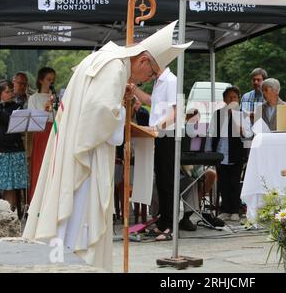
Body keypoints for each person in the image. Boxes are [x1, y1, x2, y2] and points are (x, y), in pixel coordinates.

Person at [22, 20, 192, 270]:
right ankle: (75, 263)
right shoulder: (114, 66)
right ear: (143, 59)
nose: (149, 79)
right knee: (79, 219)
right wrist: (122, 112)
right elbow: (101, 114)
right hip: (88, 158)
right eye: (152, 73)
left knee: (71, 219)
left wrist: (121, 102)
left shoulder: (106, 58)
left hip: (77, 149)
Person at [132, 66, 178, 241]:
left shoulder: (171, 80)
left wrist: (156, 128)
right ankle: (163, 222)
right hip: (159, 135)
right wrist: (134, 88)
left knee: (167, 181)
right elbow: (151, 102)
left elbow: (175, 112)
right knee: (161, 181)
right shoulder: (159, 82)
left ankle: (170, 227)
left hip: (167, 134)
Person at [0, 81, 28, 219]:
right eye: (7, 91)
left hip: (12, 152)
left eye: (11, 91)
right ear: (0, 94)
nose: (11, 94)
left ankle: (9, 218)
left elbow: (9, 121)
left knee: (9, 186)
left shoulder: (17, 107)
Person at [205, 86, 247, 222]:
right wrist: (208, 152)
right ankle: (225, 209)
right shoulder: (217, 114)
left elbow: (248, 134)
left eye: (234, 97)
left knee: (235, 182)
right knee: (223, 183)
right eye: (229, 97)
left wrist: (241, 130)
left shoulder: (242, 114)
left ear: (238, 99)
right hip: (220, 152)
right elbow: (210, 134)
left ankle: (235, 210)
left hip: (236, 153)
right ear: (224, 100)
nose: (232, 99)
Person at [179, 109, 218, 231]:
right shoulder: (181, 132)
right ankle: (190, 209)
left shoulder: (201, 133)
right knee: (190, 180)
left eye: (197, 120)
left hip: (197, 164)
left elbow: (205, 150)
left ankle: (197, 201)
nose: (195, 122)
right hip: (183, 167)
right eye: (192, 119)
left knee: (211, 174)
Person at [27, 67, 56, 203]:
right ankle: (36, 200)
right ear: (41, 80)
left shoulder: (55, 97)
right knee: (39, 164)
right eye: (49, 80)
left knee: (53, 166)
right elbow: (31, 117)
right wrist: (44, 110)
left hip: (53, 132)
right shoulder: (34, 98)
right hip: (40, 132)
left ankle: (51, 199)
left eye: (53, 80)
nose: (51, 82)